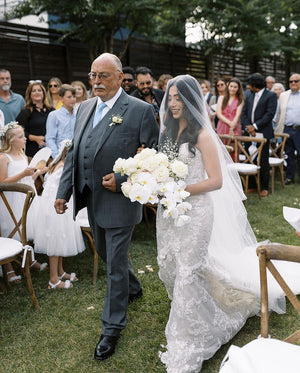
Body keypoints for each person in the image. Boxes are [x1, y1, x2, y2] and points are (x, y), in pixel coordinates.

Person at [156, 75, 300, 373]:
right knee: (174, 264)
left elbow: (216, 181)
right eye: (170, 98)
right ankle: (194, 307)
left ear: (192, 100)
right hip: (171, 211)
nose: (173, 103)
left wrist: (180, 190)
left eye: (179, 98)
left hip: (197, 212)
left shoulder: (203, 135)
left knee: (189, 270)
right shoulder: (168, 132)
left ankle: (188, 340)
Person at [54, 53, 159, 361]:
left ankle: (111, 329)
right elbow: (74, 153)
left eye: (103, 76)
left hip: (120, 201)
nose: (96, 82)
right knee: (104, 251)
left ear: (119, 77)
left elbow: (153, 154)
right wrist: (63, 192)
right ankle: (134, 286)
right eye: (92, 75)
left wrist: (124, 174)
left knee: (113, 266)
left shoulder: (140, 110)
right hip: (90, 198)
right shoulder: (84, 108)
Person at [29, 140, 85, 289]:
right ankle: (53, 280)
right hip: (55, 211)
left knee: (60, 239)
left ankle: (60, 272)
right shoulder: (62, 169)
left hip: (58, 209)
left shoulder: (58, 165)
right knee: (55, 241)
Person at [0, 122, 47, 283]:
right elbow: (3, 182)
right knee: (12, 230)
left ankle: (29, 260)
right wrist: (23, 173)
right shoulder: (4, 158)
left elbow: (27, 178)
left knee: (26, 230)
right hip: (11, 201)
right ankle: (9, 269)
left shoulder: (21, 154)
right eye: (21, 137)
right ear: (11, 140)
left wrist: (36, 173)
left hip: (26, 198)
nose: (25, 139)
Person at [241, 73, 277, 197]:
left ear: (255, 85)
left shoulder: (271, 95)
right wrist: (248, 127)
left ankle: (264, 187)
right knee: (249, 158)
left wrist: (255, 126)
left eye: (249, 84)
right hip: (249, 133)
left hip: (262, 132)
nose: (248, 87)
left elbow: (269, 114)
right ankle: (251, 185)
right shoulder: (249, 95)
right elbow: (244, 113)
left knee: (262, 160)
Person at [16, 81, 54, 158]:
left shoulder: (52, 110)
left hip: (51, 151)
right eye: (34, 91)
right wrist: (35, 138)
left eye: (39, 90)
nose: (37, 93)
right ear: (30, 94)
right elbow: (18, 131)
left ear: (43, 93)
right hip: (32, 152)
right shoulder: (26, 112)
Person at [275, 73, 300, 185]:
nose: (293, 83)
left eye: (296, 81)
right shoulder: (284, 95)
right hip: (287, 129)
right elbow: (279, 113)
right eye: (291, 81)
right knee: (288, 154)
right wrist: (278, 130)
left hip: (299, 130)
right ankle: (290, 177)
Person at [216, 77, 244, 160]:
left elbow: (238, 114)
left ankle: (234, 171)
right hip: (222, 125)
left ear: (238, 88)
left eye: (235, 87)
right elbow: (218, 114)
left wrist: (232, 126)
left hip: (234, 127)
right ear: (228, 86)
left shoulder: (240, 100)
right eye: (231, 86)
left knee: (233, 150)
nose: (232, 89)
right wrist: (229, 122)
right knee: (221, 150)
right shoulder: (221, 98)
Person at [45, 84, 76, 159]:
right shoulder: (54, 115)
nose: (72, 99)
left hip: (75, 155)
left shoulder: (78, 114)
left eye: (74, 96)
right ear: (61, 98)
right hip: (60, 155)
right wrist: (57, 156)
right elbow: (50, 138)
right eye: (69, 97)